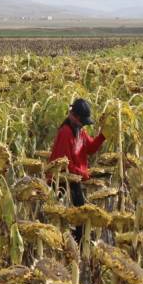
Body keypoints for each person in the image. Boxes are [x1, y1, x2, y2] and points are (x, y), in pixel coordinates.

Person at [48, 98, 106, 238]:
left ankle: (78, 249)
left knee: (80, 220)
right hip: (61, 183)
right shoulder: (66, 132)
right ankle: (74, 249)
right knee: (73, 220)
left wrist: (103, 136)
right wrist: (85, 174)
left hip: (74, 180)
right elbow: (64, 164)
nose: (84, 125)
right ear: (76, 117)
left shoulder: (79, 130)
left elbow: (90, 148)